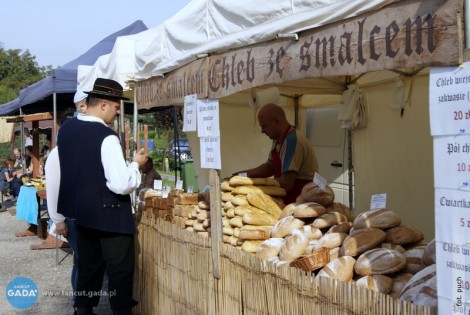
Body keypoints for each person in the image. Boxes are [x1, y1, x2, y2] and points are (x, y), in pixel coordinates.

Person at [57, 78, 148, 315]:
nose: (118, 112)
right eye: (117, 107)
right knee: (119, 273)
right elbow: (120, 184)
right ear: (105, 104)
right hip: (110, 216)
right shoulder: (106, 137)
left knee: (88, 267)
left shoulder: (66, 129)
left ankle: (83, 309)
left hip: (82, 214)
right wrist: (136, 166)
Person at [234, 103, 319, 204]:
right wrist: (242, 175)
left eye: (264, 126)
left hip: (299, 199)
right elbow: (269, 167)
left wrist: (255, 186)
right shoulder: (278, 138)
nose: (262, 131)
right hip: (286, 197)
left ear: (277, 121)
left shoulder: (293, 141)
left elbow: (287, 183)